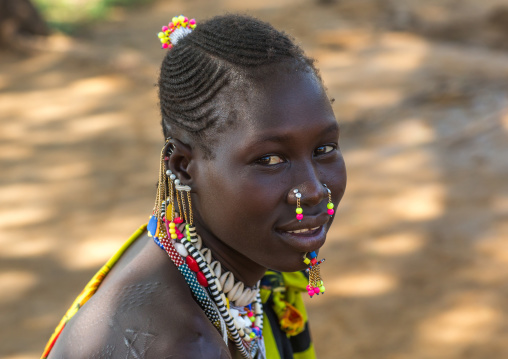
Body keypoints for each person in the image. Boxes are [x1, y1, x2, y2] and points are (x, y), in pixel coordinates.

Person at [41, 14, 347, 359]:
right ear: (184, 168)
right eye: (270, 160)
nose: (314, 190)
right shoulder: (180, 346)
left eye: (324, 150)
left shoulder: (181, 243)